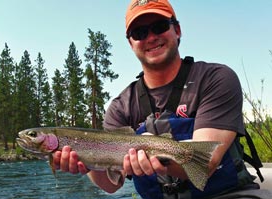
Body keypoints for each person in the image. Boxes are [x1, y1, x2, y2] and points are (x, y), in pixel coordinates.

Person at [53, 0, 272, 198]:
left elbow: (206, 163)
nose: (150, 37)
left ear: (177, 30)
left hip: (227, 194)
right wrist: (88, 164)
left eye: (159, 27)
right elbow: (112, 185)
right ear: (131, 43)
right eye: (139, 32)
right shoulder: (121, 107)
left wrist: (154, 152)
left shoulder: (215, 78)